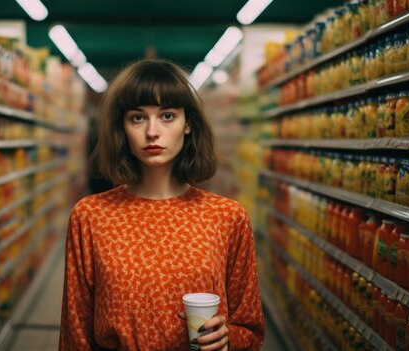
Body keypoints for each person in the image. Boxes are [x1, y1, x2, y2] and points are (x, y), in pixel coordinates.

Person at [59, 59, 265, 351]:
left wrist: (228, 337)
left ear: (189, 124)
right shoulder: (91, 215)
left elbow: (251, 327)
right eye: (138, 118)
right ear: (122, 127)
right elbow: (75, 333)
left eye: (167, 116)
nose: (152, 131)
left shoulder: (227, 216)